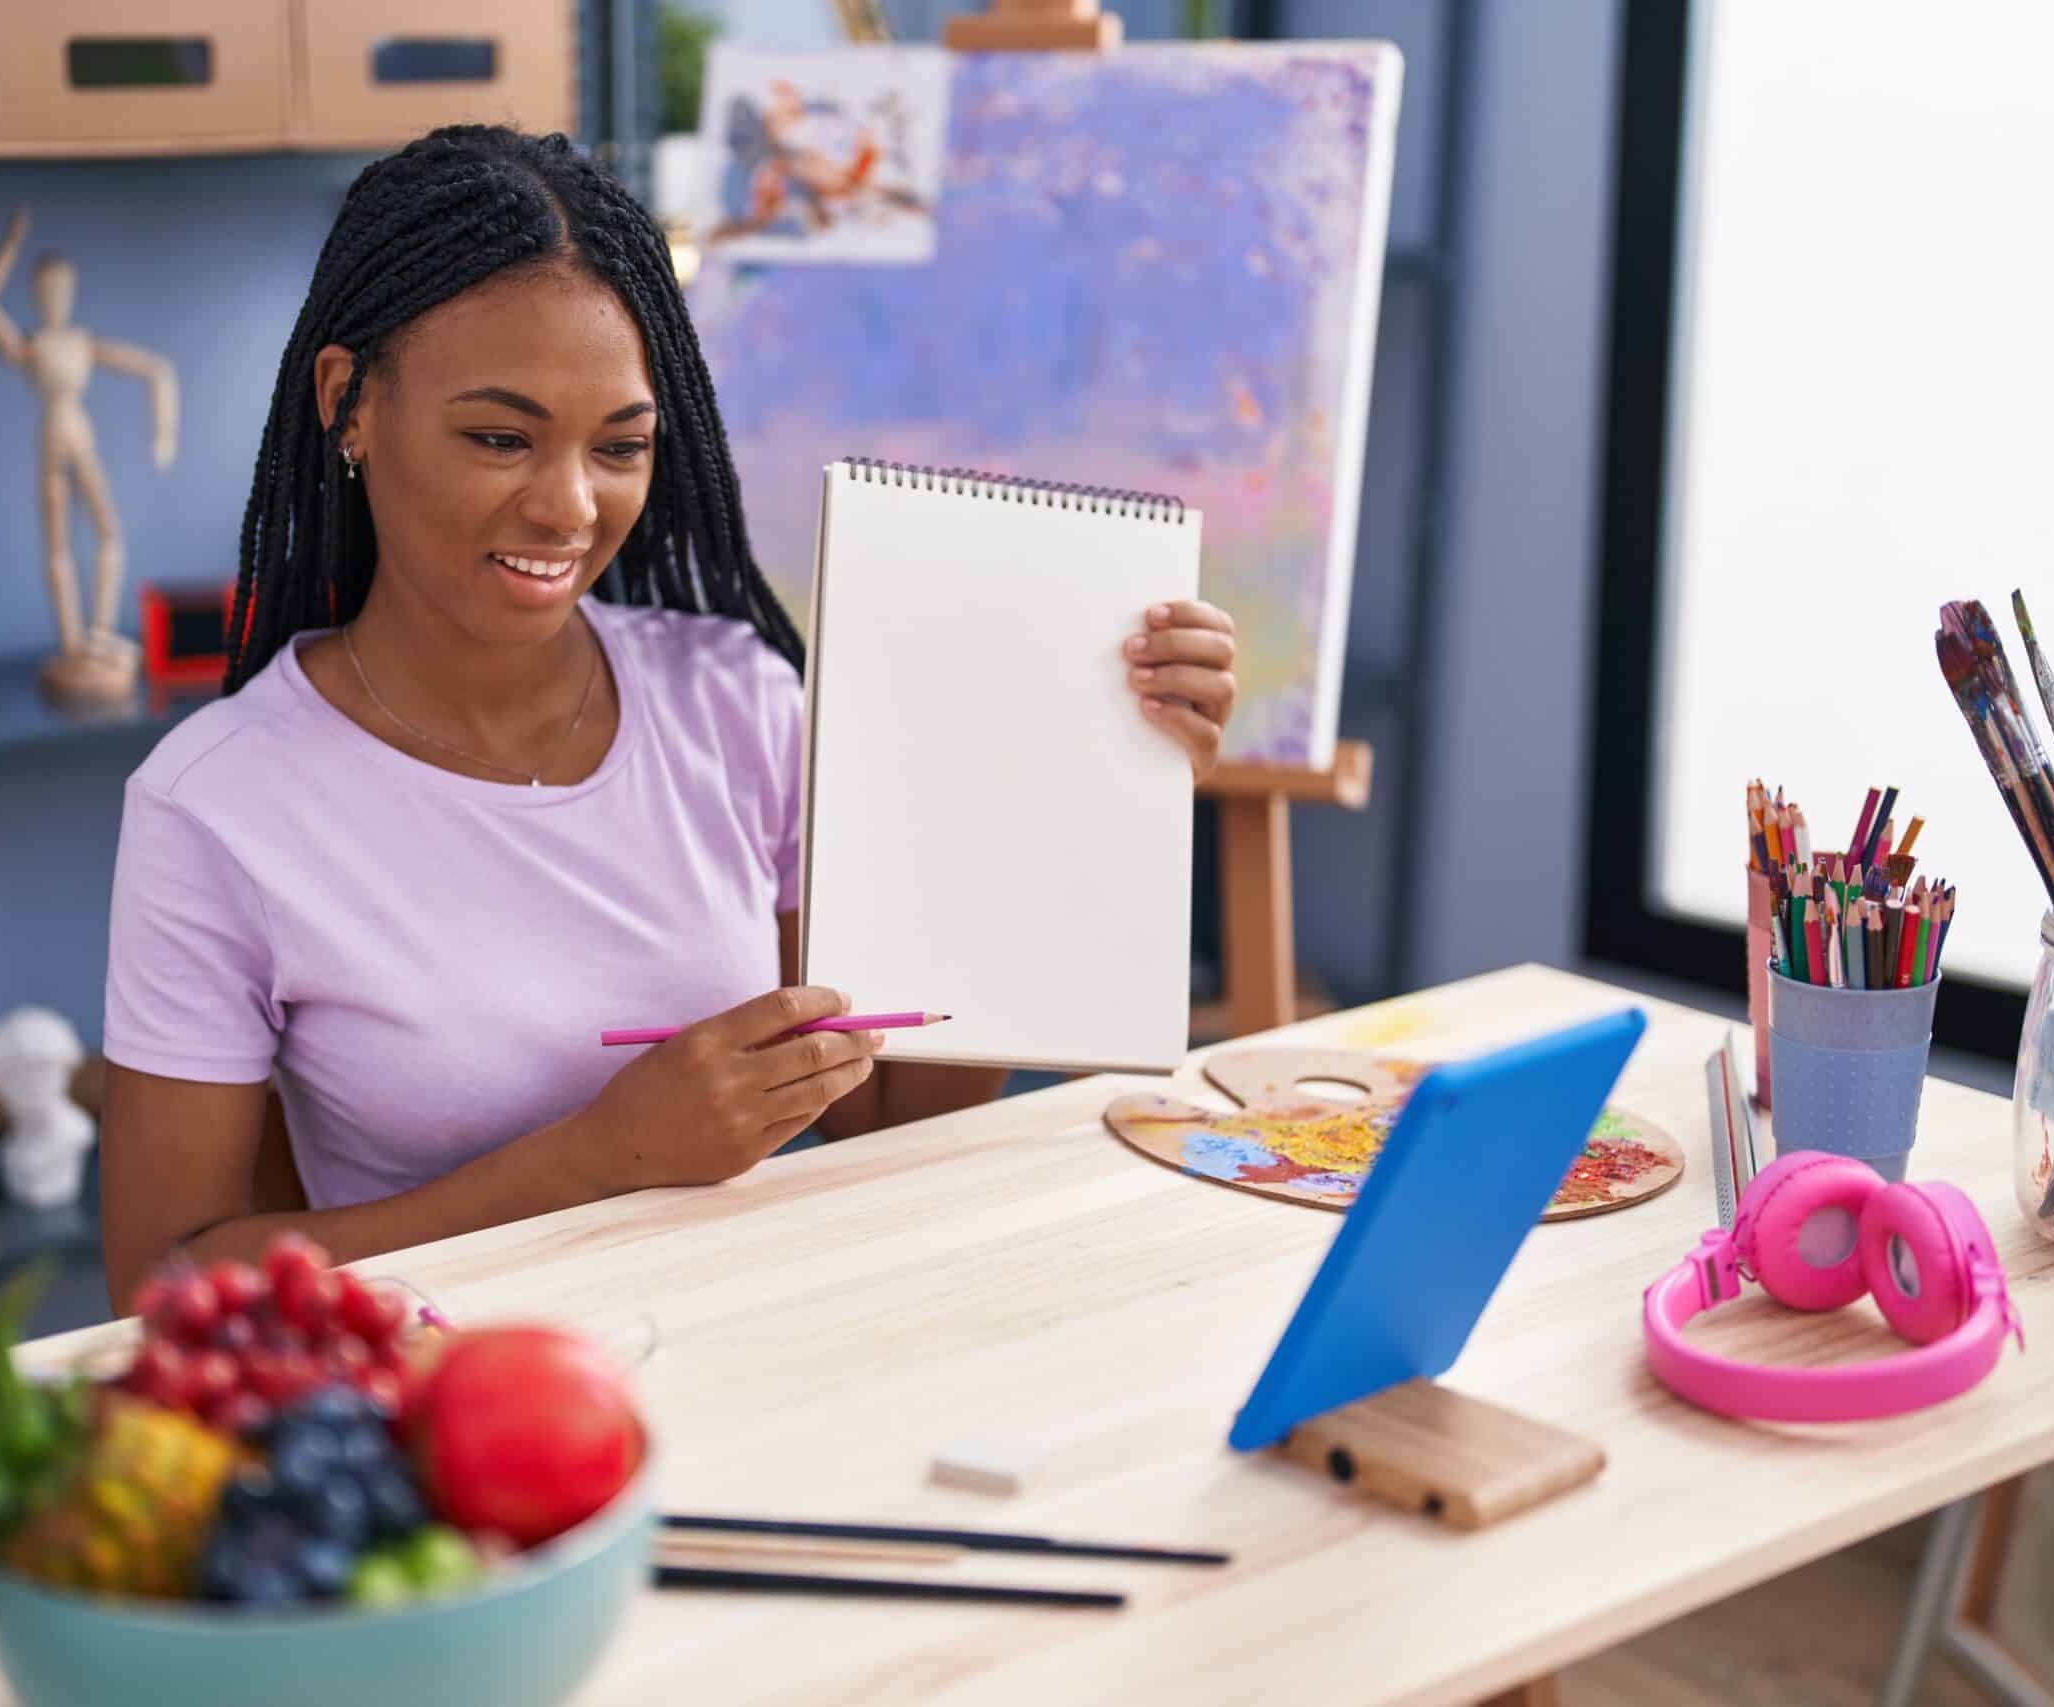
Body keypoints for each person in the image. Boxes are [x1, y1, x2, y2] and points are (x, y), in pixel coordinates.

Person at [97, 128, 1238, 1306]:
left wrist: (1092, 795)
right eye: (499, 438)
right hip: (450, 1417)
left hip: (764, 1344)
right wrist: (590, 1163)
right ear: (350, 404)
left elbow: (883, 1112)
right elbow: (165, 1277)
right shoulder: (219, 806)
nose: (566, 507)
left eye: (621, 447)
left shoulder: (734, 700)